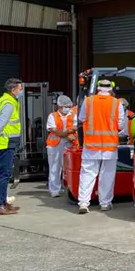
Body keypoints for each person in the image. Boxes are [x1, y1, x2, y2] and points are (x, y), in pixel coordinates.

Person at [77, 79, 125, 214]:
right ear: (110, 89)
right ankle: (105, 203)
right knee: (107, 174)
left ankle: (83, 203)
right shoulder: (117, 103)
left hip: (91, 145)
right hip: (109, 146)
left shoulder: (88, 101)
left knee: (87, 173)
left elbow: (81, 119)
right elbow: (121, 125)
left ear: (98, 88)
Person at [0, 78, 23, 216]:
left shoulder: (4, 100)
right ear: (13, 90)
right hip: (5, 143)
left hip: (6, 142)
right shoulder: (8, 103)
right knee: (3, 174)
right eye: (20, 89)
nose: (21, 91)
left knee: (5, 174)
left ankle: (2, 202)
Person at [46, 95, 78, 198]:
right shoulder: (52, 116)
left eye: (69, 106)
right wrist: (67, 133)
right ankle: (55, 190)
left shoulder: (72, 115)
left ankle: (67, 188)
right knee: (55, 167)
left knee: (68, 167)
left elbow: (76, 127)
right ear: (59, 106)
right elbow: (54, 130)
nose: (68, 108)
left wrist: (68, 134)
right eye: (66, 106)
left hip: (69, 144)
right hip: (55, 145)